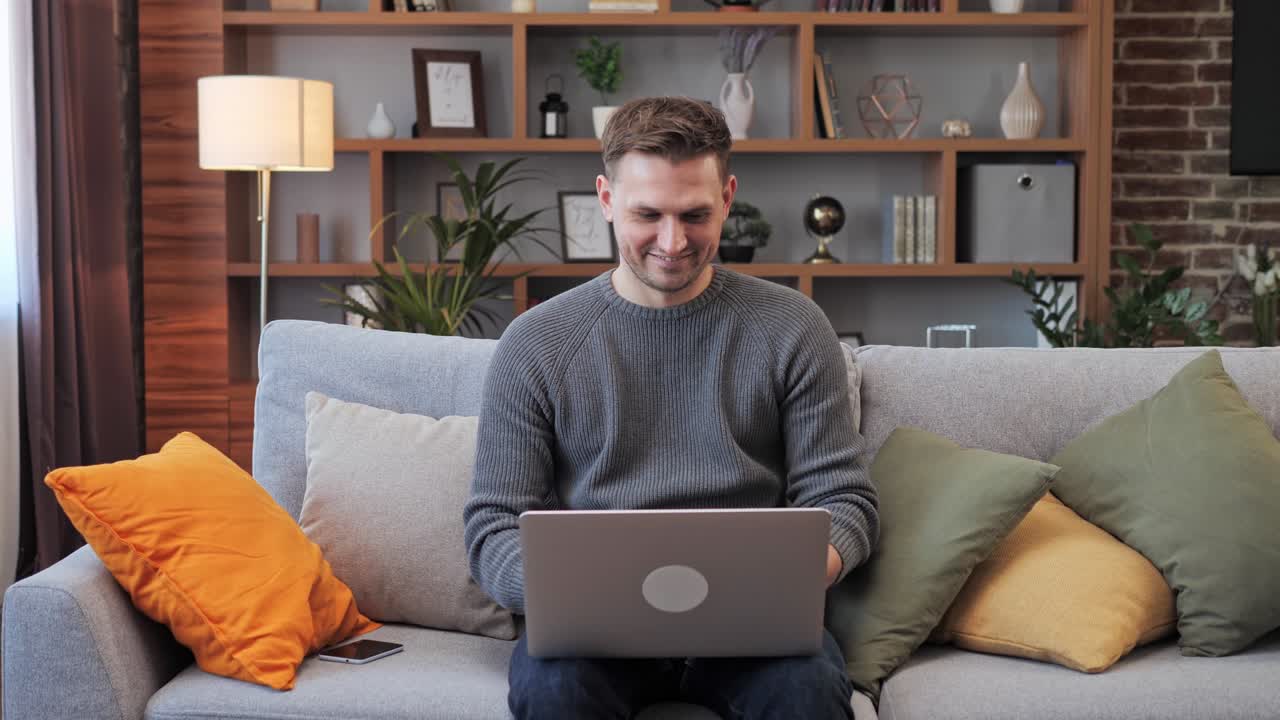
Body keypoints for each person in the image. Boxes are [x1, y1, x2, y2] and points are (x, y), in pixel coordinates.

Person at [462, 95, 879, 720]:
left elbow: (845, 500)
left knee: (808, 696)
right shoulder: (538, 344)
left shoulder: (794, 327)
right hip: (591, 635)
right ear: (605, 198)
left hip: (756, 629)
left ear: (729, 197)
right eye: (647, 214)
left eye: (695, 215)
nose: (672, 241)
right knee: (554, 695)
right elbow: (493, 523)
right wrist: (570, 591)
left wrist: (793, 575)